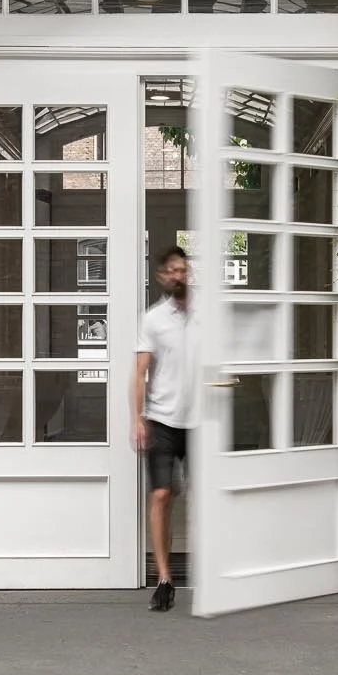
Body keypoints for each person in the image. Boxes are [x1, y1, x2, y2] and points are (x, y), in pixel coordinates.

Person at [132, 245, 193, 612]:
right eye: (171, 270)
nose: (177, 275)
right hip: (162, 420)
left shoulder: (206, 315)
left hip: (202, 421)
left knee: (211, 496)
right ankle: (165, 579)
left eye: (182, 269)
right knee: (161, 495)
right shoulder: (153, 319)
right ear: (161, 277)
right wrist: (137, 418)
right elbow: (139, 372)